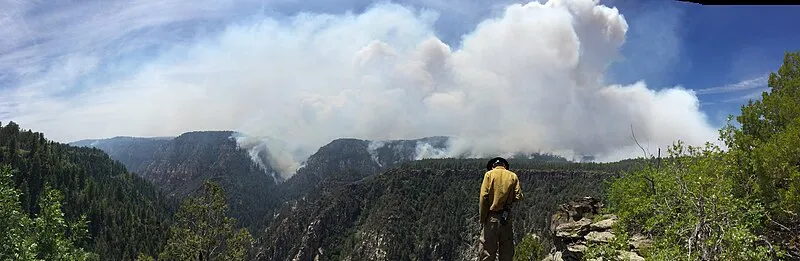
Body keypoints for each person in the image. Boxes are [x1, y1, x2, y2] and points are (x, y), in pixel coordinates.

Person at [479, 157, 524, 261]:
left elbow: (483, 197)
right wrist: (508, 199)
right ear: (505, 166)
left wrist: (483, 218)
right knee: (506, 251)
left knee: (487, 251)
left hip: (491, 217)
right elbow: (519, 196)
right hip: (506, 217)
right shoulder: (513, 176)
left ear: (492, 166)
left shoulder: (489, 175)